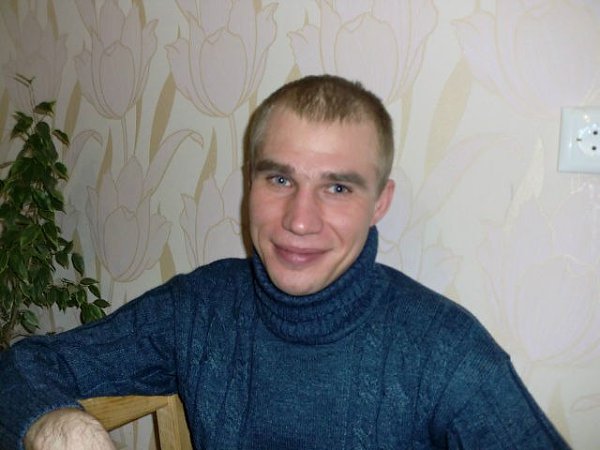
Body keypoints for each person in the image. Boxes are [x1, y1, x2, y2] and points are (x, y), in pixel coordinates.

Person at [0, 74, 569, 450]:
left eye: (337, 188)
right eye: (279, 179)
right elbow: (23, 366)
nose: (299, 220)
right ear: (249, 182)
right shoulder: (200, 308)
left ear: (380, 203)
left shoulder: (446, 352)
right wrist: (59, 425)